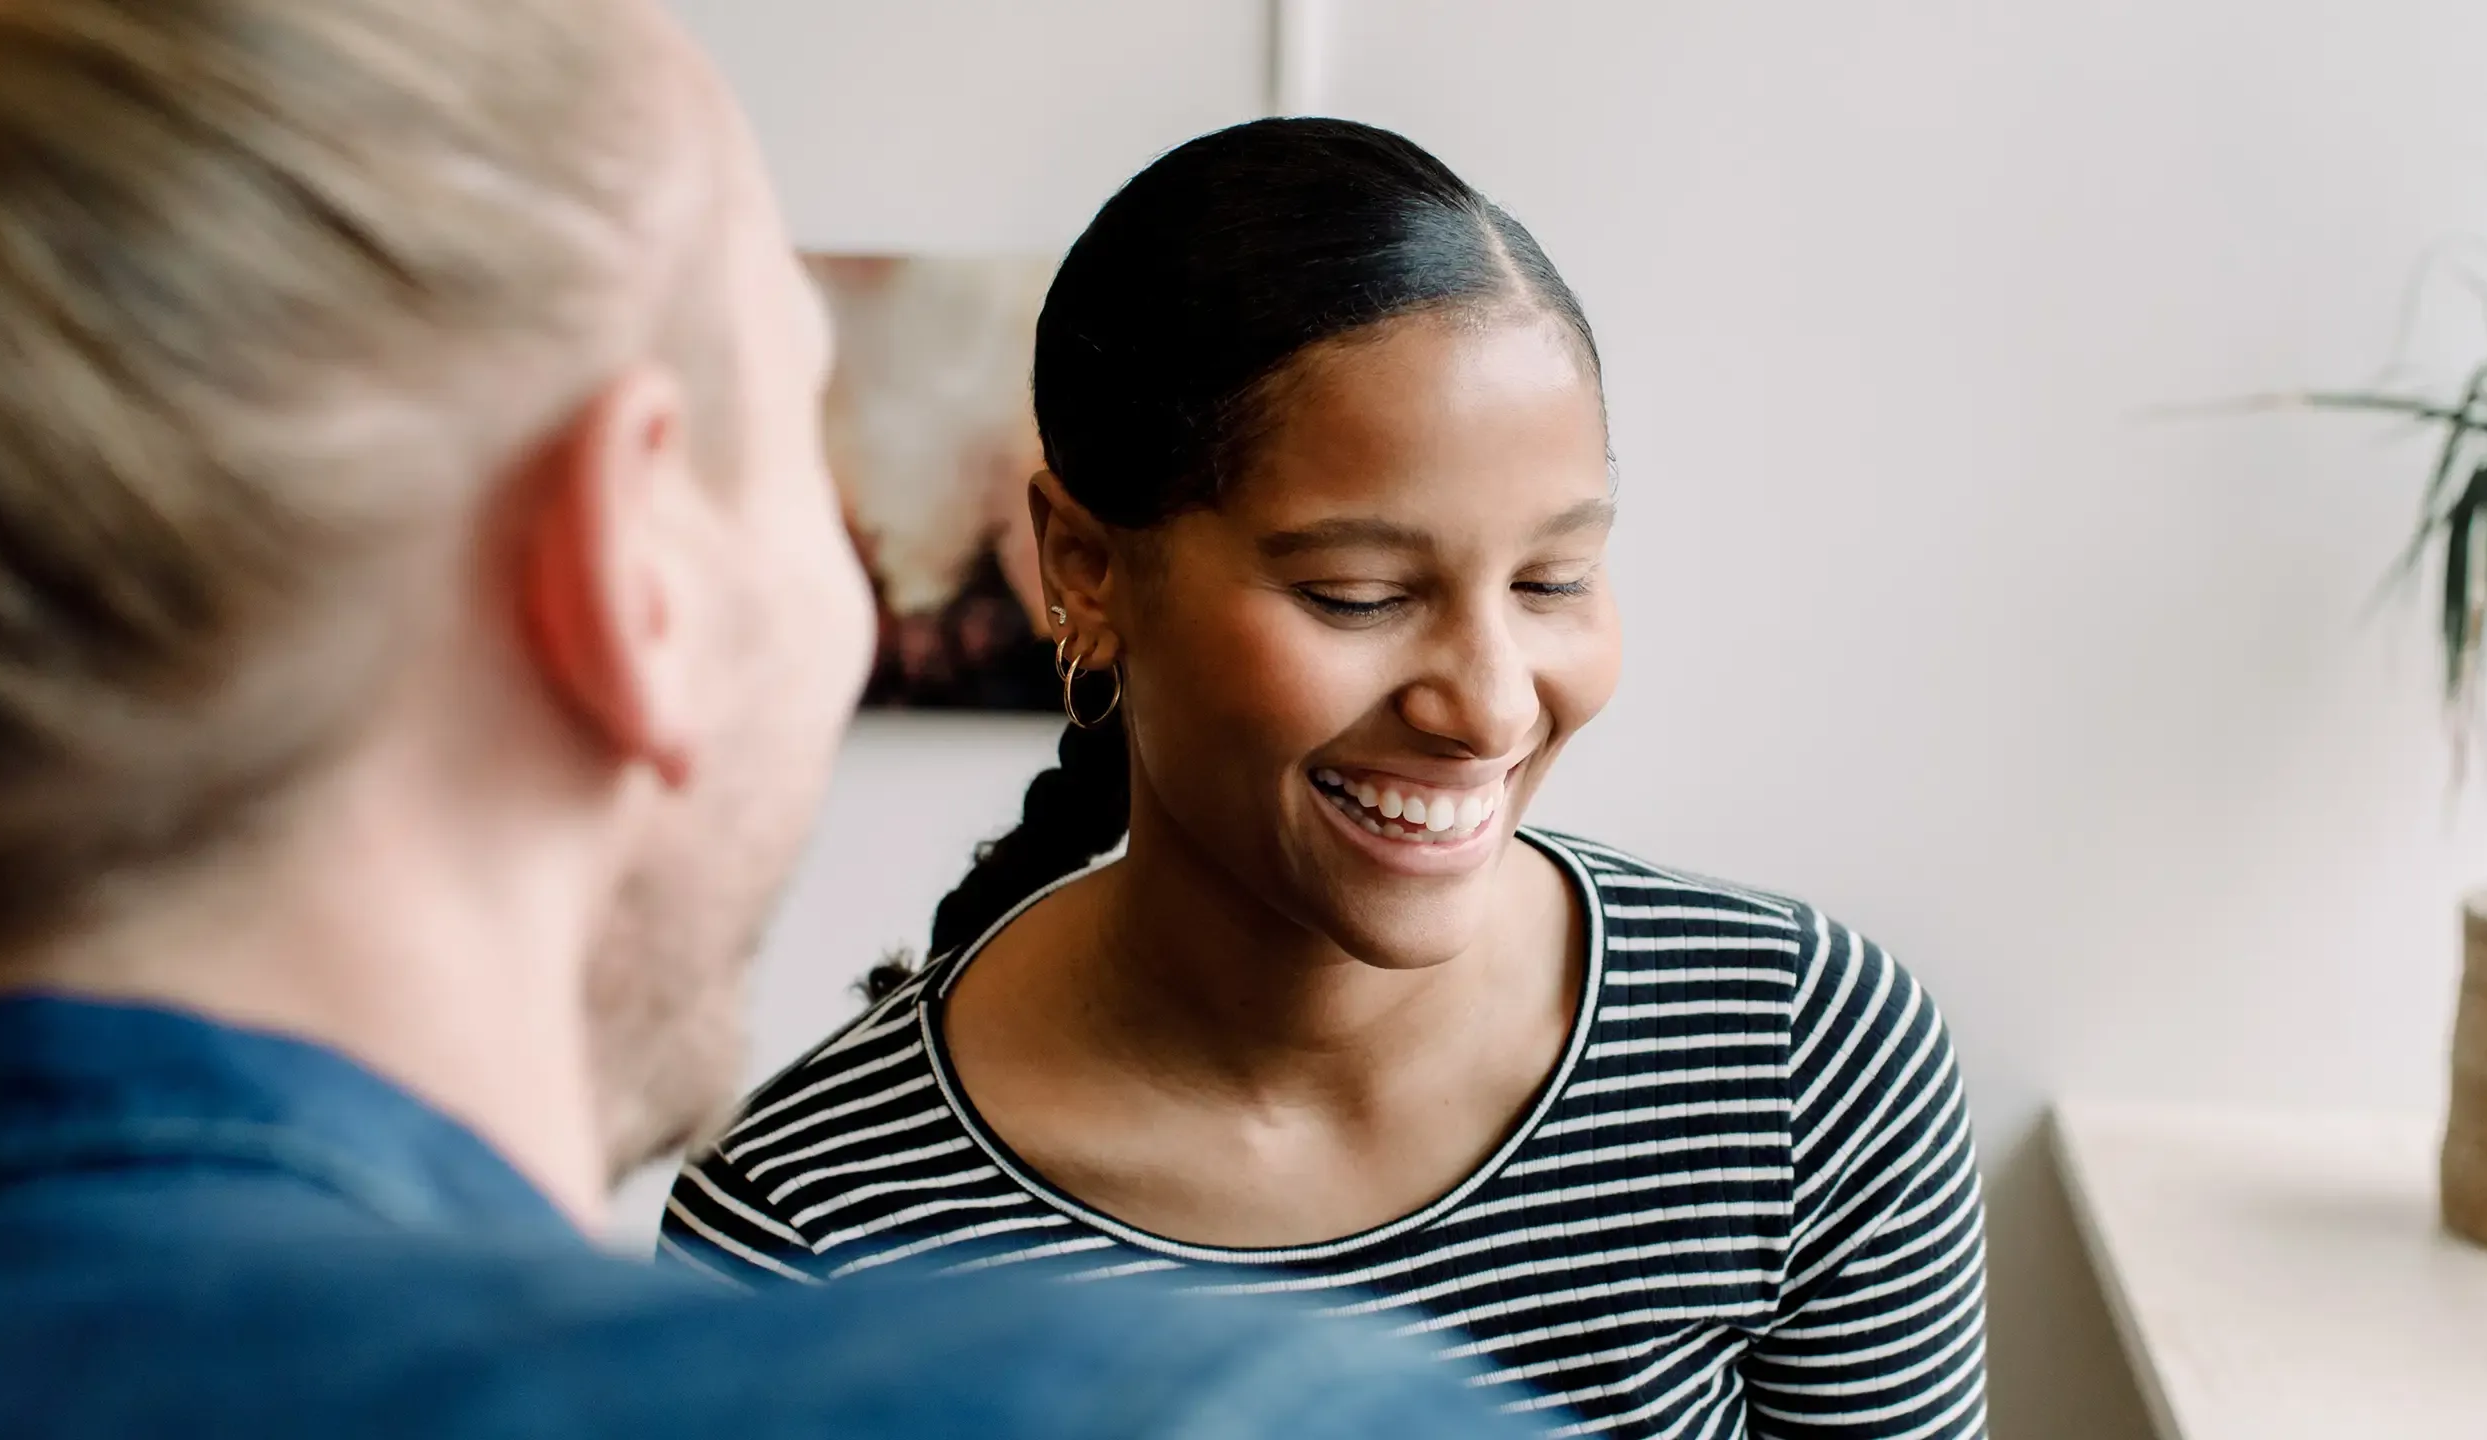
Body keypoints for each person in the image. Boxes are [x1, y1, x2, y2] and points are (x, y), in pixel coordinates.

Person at [0, 4, 1531, 1436]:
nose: (1487, 700)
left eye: (1558, 574)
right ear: (635, 563)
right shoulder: (1188, 1415)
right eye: (799, 424)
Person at [666, 119, 1989, 1438]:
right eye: (1358, 594)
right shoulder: (809, 1230)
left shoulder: (1798, 1060)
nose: (1489, 704)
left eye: (1553, 581)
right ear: (1084, 568)